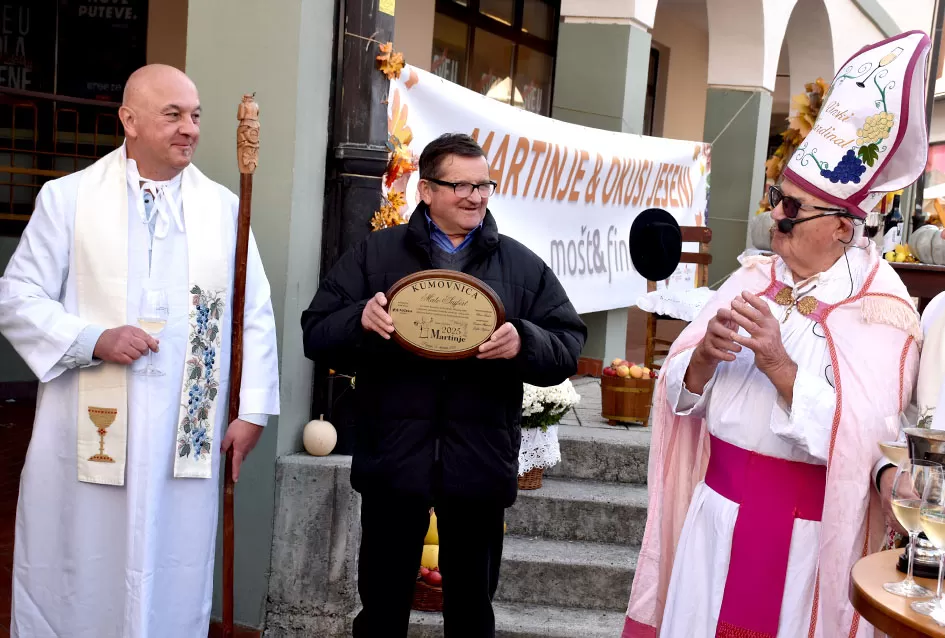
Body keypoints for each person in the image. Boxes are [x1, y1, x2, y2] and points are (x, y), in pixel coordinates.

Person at [623, 31, 930, 638]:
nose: (776, 219)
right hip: (713, 520)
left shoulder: (883, 310)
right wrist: (702, 362)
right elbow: (679, 399)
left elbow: (871, 444)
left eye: (792, 209)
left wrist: (780, 366)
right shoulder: (753, 276)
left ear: (844, 227)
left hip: (804, 540)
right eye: (776, 201)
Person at [0, 64, 280, 638]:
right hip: (88, 423)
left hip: (186, 433)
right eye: (173, 114)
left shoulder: (225, 209)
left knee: (174, 565)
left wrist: (251, 411)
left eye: (196, 116)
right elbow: (16, 296)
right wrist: (92, 339)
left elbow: (253, 313)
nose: (190, 129)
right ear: (128, 119)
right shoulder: (69, 199)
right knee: (80, 560)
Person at [302, 133, 586, 638]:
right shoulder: (376, 254)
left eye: (484, 185)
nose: (475, 197)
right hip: (394, 457)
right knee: (382, 605)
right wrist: (359, 323)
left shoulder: (520, 266)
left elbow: (567, 346)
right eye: (461, 185)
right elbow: (316, 331)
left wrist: (524, 341)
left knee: (473, 610)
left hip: (478, 461)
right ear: (426, 189)